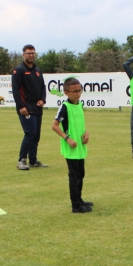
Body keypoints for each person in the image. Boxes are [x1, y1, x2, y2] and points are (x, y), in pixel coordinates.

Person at [51, 78, 92, 213]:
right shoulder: (65, 107)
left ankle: (79, 200)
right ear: (66, 92)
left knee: (81, 174)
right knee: (74, 176)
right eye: (74, 91)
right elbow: (54, 126)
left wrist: (86, 134)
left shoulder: (79, 105)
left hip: (80, 146)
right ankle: (76, 205)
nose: (78, 94)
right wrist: (67, 138)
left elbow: (80, 123)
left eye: (79, 90)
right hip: (72, 147)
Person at [12, 44, 48, 170]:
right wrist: (21, 106)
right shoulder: (19, 70)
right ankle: (21, 160)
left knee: (36, 135)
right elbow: (16, 90)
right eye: (29, 53)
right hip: (26, 108)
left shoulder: (38, 71)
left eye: (33, 53)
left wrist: (43, 100)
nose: (31, 55)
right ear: (23, 55)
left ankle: (33, 160)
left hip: (37, 108)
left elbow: (43, 87)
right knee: (30, 133)